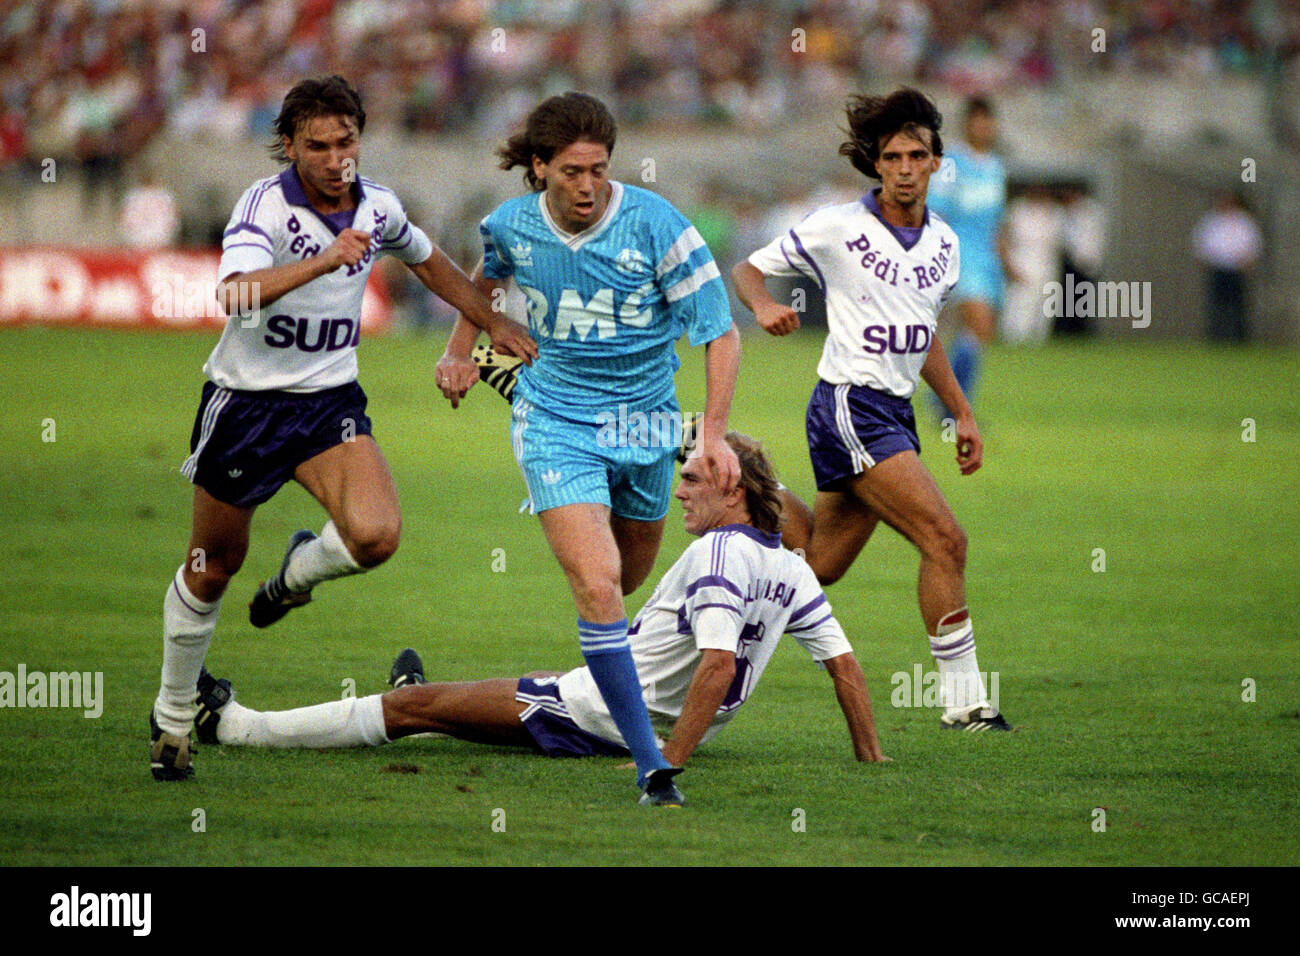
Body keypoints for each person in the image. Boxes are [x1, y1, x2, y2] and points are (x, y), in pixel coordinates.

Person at [149, 75, 537, 783]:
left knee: (376, 535)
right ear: (290, 148)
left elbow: (430, 263)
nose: (336, 158)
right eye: (318, 146)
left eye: (347, 141)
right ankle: (174, 715)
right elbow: (233, 293)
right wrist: (324, 260)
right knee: (213, 567)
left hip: (328, 403)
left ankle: (298, 571)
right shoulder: (263, 207)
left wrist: (491, 320)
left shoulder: (379, 206)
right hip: (246, 405)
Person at [191, 434, 887, 807]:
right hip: (616, 702)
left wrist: (665, 765)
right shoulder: (792, 566)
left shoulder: (719, 554)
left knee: (413, 709)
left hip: (597, 715)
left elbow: (717, 664)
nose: (679, 491)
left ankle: (236, 726)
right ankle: (450, 703)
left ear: (732, 486)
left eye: (694, 480)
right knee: (478, 697)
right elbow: (847, 669)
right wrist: (872, 760)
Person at [432, 92, 742, 803]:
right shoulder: (510, 225)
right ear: (539, 168)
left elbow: (720, 332)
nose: (587, 185)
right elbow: (484, 279)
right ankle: (649, 763)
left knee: (626, 579)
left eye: (598, 170)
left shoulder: (658, 226)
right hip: (556, 422)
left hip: (646, 430)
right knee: (599, 582)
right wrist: (460, 349)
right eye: (571, 171)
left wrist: (714, 433)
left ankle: (561, 695)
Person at [730, 87, 1011, 732]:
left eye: (918, 154)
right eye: (892, 156)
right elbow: (747, 269)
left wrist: (962, 411)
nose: (906, 167)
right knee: (945, 539)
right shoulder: (838, 225)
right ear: (876, 165)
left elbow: (925, 334)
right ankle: (964, 704)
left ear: (938, 161)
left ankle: (747, 480)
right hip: (851, 406)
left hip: (895, 412)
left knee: (820, 565)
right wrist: (767, 306)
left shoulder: (944, 242)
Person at [925, 95, 1009, 416]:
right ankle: (955, 407)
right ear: (968, 123)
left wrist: (1006, 261)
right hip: (959, 255)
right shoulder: (952, 164)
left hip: (986, 259)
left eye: (989, 121)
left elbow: (997, 221)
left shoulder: (996, 167)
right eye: (978, 120)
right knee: (977, 322)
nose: (984, 127)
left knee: (975, 333)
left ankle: (944, 400)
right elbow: (937, 211)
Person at [1192, 191, 1261, 343]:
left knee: (1237, 305)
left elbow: (1252, 243)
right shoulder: (1212, 221)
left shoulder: (1244, 222)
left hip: (1237, 269)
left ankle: (1238, 338)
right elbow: (1201, 242)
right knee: (1216, 304)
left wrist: (1247, 261)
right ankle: (1215, 337)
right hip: (1217, 268)